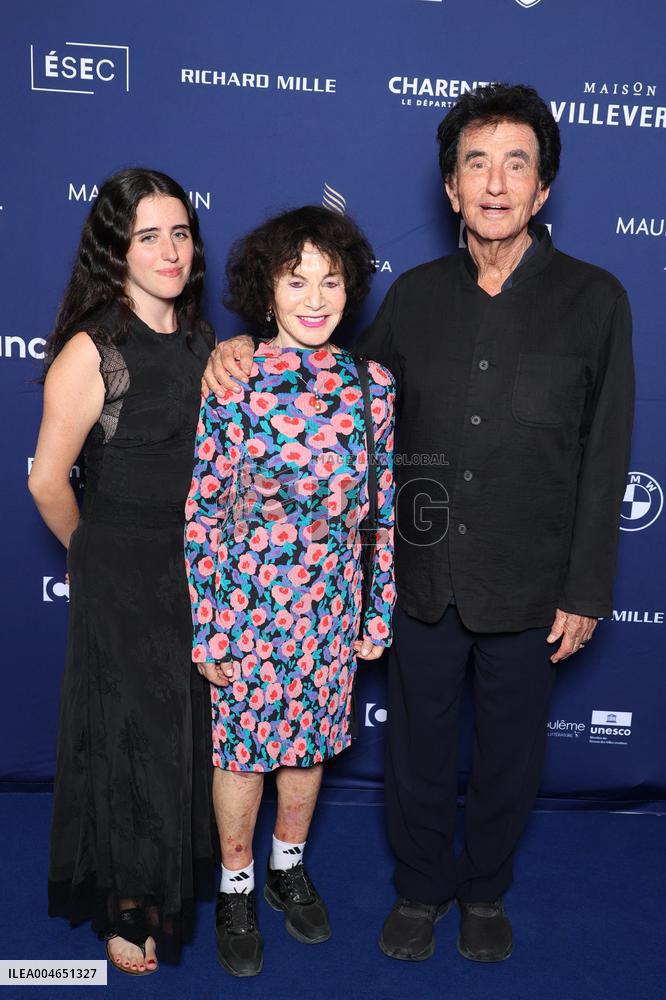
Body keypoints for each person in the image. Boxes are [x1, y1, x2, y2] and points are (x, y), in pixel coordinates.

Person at [204, 84, 634, 965]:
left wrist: (587, 588)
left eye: (516, 163)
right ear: (450, 187)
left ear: (543, 186)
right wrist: (240, 343)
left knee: (511, 756)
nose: (495, 183)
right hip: (422, 576)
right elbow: (331, 387)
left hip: (530, 581)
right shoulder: (417, 295)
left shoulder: (597, 299)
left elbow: (606, 453)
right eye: (476, 164)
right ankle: (421, 886)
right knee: (419, 752)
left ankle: (484, 890)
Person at [185, 205, 396, 977]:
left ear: (350, 289)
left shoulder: (372, 386)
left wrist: (377, 609)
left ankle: (287, 867)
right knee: (243, 753)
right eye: (296, 280)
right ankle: (236, 886)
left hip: (332, 607)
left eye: (329, 281)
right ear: (266, 291)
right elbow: (206, 511)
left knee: (309, 745)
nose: (314, 298)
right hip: (246, 606)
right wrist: (208, 624)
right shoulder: (234, 381)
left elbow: (381, 512)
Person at [28, 168, 216, 975]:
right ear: (116, 250)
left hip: (193, 569)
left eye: (180, 233)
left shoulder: (205, 343)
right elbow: (47, 481)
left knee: (183, 732)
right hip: (120, 569)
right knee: (130, 736)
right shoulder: (93, 348)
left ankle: (175, 875)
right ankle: (128, 906)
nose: (170, 252)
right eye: (148, 237)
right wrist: (95, 556)